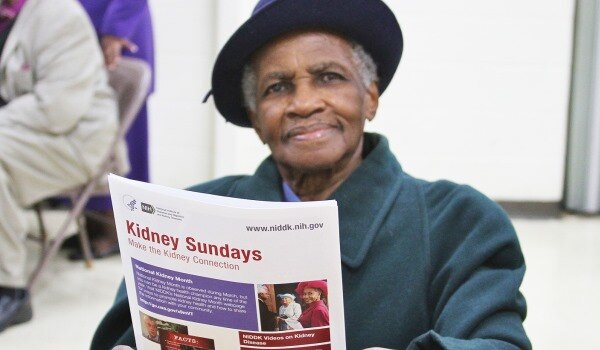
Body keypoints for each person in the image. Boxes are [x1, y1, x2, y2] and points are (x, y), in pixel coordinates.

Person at [91, 0, 532, 348]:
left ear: (370, 98)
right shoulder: (186, 221)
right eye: (277, 87)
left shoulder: (459, 223)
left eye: (329, 77)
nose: (303, 103)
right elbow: (127, 334)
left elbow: (497, 343)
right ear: (257, 118)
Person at [0, 0, 118, 332]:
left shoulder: (60, 15)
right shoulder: (6, 16)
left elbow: (57, 110)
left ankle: (9, 289)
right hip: (24, 130)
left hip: (74, 140)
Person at [71, 0, 154, 259]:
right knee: (83, 132)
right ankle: (92, 225)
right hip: (79, 32)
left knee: (120, 138)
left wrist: (116, 30)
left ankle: (118, 231)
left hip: (115, 34)